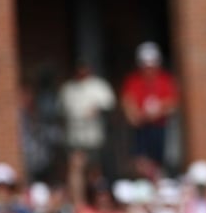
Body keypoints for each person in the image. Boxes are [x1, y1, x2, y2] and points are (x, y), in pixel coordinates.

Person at [120, 41, 178, 179]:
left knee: (159, 161)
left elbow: (172, 103)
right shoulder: (133, 81)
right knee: (140, 161)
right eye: (146, 66)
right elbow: (128, 102)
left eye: (152, 65)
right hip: (141, 129)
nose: (149, 69)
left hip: (159, 128)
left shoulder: (165, 80)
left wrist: (157, 111)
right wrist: (136, 115)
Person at [59, 60, 117, 178]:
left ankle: (97, 194)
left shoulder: (99, 86)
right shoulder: (68, 88)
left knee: (94, 169)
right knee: (76, 167)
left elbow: (110, 106)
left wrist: (97, 111)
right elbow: (61, 112)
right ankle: (78, 196)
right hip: (75, 136)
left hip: (95, 137)